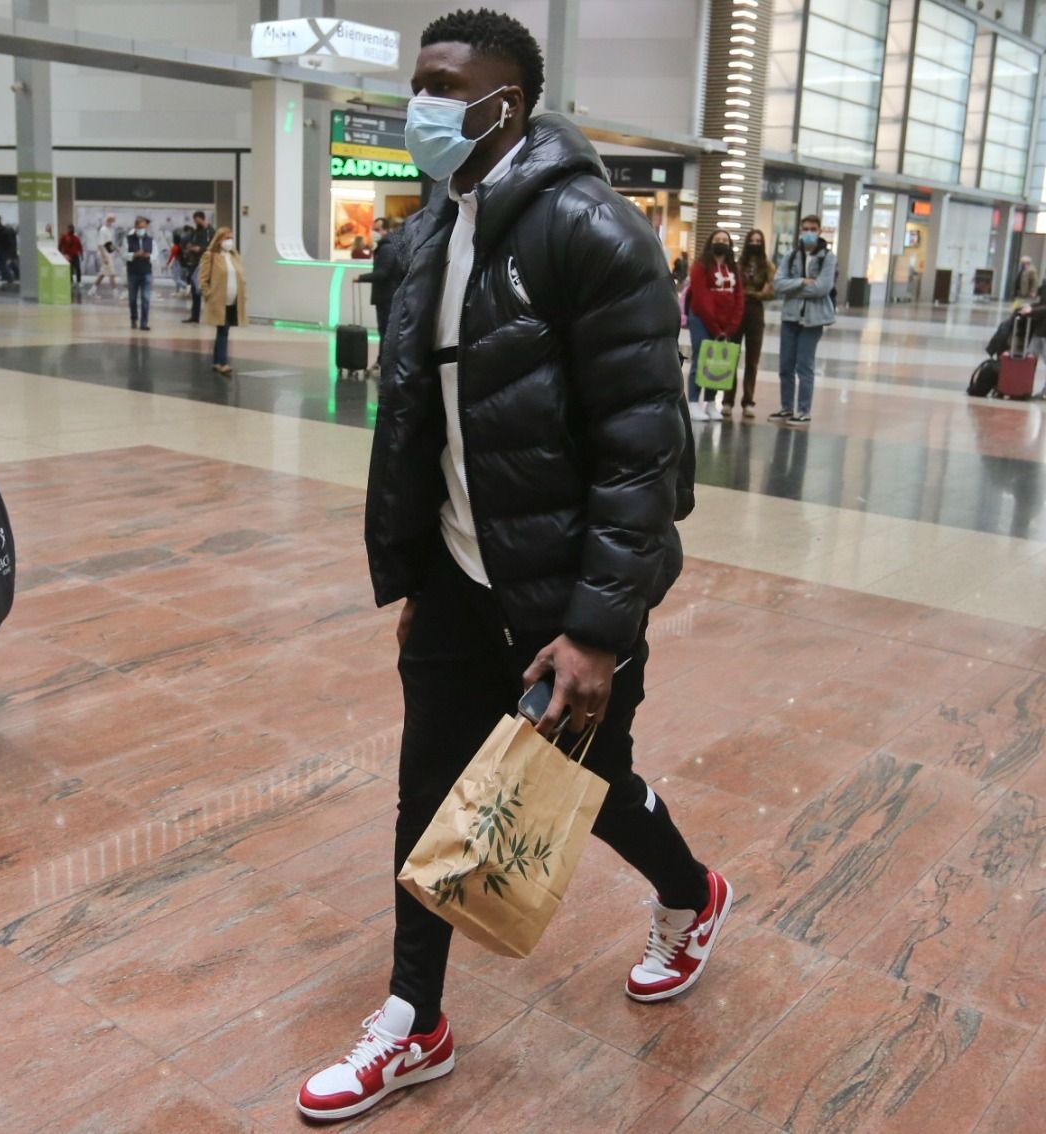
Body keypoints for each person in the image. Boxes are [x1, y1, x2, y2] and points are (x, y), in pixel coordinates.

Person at [299, 10, 723, 1123]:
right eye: (416, 81)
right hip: (453, 580)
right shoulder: (419, 238)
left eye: (445, 84)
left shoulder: (595, 233)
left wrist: (595, 628)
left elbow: (646, 454)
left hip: (565, 591)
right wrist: (413, 577)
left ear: (507, 103)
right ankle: (414, 1017)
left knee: (581, 791)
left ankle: (691, 893)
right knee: (427, 793)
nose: (420, 105)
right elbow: (414, 429)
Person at [771, 214, 836, 427]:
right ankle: (786, 407)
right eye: (805, 228)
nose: (809, 232)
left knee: (805, 365)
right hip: (790, 317)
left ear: (819, 231)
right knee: (785, 365)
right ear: (800, 230)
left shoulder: (827, 257)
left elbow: (822, 288)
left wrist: (794, 289)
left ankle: (803, 410)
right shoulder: (790, 255)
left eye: (813, 228)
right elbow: (778, 284)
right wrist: (801, 282)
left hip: (813, 319)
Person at [685, 229, 744, 420]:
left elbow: (739, 297)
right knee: (701, 357)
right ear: (711, 242)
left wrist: (730, 326)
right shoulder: (700, 266)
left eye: (724, 240)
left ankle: (711, 403)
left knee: (716, 362)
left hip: (725, 324)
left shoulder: (733, 268)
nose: (721, 243)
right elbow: (701, 299)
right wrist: (715, 327)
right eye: (717, 239)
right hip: (702, 320)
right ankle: (694, 402)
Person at [727, 228, 774, 420]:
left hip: (756, 313)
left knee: (752, 361)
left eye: (758, 241)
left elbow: (770, 292)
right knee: (731, 357)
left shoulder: (769, 267)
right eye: (752, 241)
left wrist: (750, 293)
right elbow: (733, 289)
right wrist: (755, 291)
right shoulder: (738, 265)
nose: (755, 244)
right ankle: (727, 401)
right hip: (737, 312)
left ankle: (748, 401)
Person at [199, 227, 245, 375]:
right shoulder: (210, 256)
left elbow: (240, 277)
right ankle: (223, 363)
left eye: (231, 237)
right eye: (226, 238)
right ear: (219, 240)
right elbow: (203, 278)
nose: (229, 241)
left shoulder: (234, 256)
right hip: (218, 300)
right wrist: (208, 294)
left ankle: (217, 360)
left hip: (233, 300)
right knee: (223, 330)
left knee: (223, 331)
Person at [357, 218, 401, 358]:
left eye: (377, 229)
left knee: (385, 330)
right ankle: (382, 360)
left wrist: (361, 278)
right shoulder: (388, 246)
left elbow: (383, 273)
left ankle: (383, 361)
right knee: (385, 330)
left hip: (386, 296)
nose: (374, 233)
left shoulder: (387, 248)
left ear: (385, 229)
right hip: (387, 295)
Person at [181, 210, 214, 322]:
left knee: (207, 288)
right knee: (195, 289)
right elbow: (191, 242)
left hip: (205, 263)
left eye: (196, 220)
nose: (195, 222)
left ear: (201, 219)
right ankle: (195, 316)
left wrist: (200, 249)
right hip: (195, 263)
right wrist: (191, 247)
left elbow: (212, 246)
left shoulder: (210, 231)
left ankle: (212, 315)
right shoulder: (196, 232)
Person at [124, 216, 155, 331]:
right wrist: (134, 255)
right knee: (132, 298)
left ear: (146, 227)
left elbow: (154, 255)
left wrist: (148, 256)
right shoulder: (128, 239)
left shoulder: (151, 240)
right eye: (139, 227)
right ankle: (134, 318)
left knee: (146, 298)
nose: (141, 229)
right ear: (135, 226)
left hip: (146, 272)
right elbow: (124, 254)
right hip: (133, 272)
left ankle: (144, 323)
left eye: (143, 227)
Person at [94, 214, 119, 291]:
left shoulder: (110, 230)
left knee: (102, 273)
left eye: (113, 221)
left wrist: (116, 248)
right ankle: (115, 291)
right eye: (111, 220)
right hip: (104, 254)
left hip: (109, 253)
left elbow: (109, 243)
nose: (112, 222)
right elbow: (100, 245)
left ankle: (93, 290)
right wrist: (104, 257)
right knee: (112, 273)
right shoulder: (103, 230)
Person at [58, 224, 84, 290]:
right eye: (69, 228)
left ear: (73, 229)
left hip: (75, 255)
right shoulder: (64, 237)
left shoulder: (76, 238)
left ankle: (79, 281)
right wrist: (61, 254)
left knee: (78, 268)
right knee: (70, 269)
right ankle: (71, 282)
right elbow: (60, 245)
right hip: (68, 256)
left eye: (72, 229)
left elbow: (80, 247)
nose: (70, 230)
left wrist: (82, 255)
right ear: (68, 229)